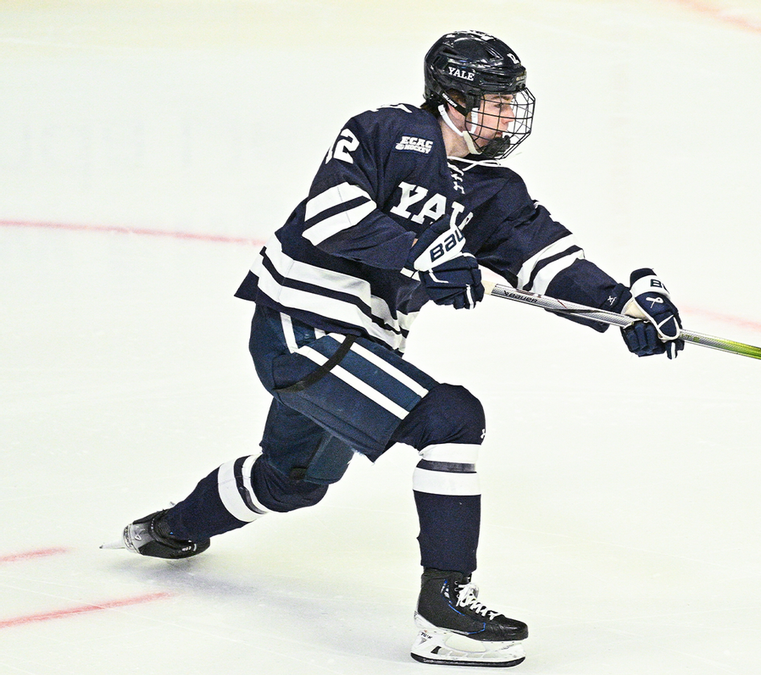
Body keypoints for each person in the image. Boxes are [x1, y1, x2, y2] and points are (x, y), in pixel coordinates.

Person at [105, 30, 684, 668]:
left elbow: (546, 260)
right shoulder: (385, 132)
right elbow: (330, 214)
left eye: (512, 99)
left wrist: (623, 306)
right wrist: (426, 257)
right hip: (304, 325)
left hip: (363, 341)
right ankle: (445, 613)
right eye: (494, 100)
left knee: (292, 481)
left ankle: (170, 529)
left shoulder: (496, 192)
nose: (508, 113)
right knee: (451, 417)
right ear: (453, 98)